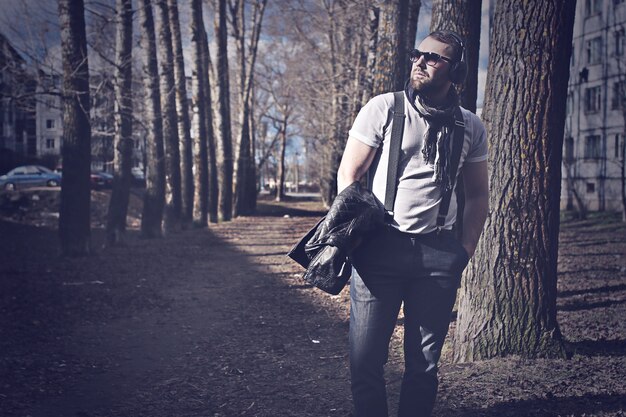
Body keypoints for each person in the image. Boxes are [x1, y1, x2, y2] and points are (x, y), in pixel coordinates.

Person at [337, 30, 489, 417]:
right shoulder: (385, 108)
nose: (419, 62)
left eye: (433, 58)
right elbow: (350, 178)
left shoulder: (470, 126)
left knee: (423, 367)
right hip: (380, 249)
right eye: (417, 54)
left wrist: (463, 252)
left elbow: (477, 196)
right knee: (365, 360)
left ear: (456, 72)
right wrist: (358, 240)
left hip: (439, 255)